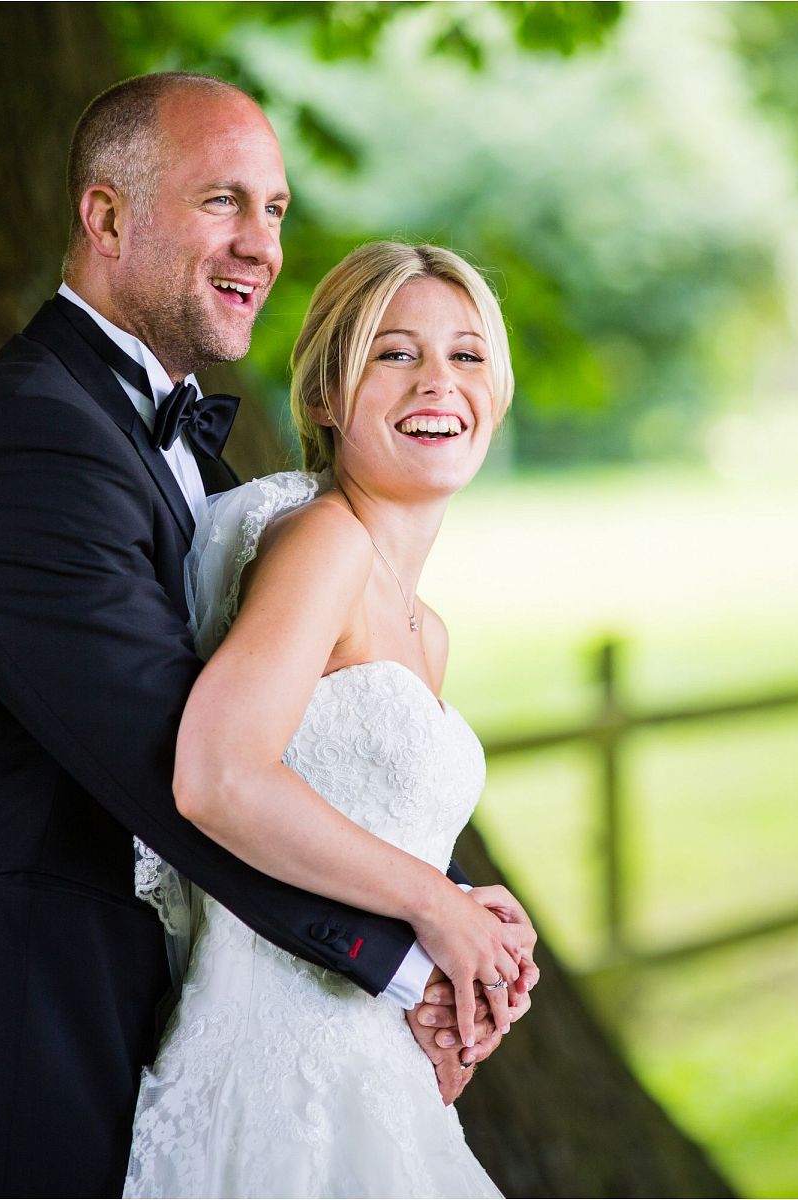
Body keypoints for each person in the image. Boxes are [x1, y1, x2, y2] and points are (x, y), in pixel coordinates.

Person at [0, 73, 528, 1197]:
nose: (259, 244)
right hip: (27, 1039)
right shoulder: (27, 442)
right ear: (105, 218)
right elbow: (175, 764)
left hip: (178, 1026)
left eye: (276, 210)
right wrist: (411, 945)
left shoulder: (211, 472)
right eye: (222, 203)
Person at [124, 240, 530, 1197]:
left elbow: (361, 836)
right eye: (395, 353)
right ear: (324, 398)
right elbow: (217, 777)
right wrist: (437, 907)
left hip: (381, 1074)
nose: (439, 381)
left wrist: (470, 953)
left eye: (467, 355)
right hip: (278, 1080)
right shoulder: (323, 542)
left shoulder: (428, 630)